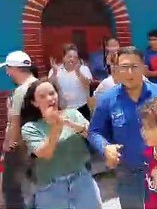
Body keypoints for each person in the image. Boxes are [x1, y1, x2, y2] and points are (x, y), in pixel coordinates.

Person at [88, 48, 157, 209]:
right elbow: (94, 131)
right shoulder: (107, 99)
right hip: (128, 172)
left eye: (135, 66)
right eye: (124, 67)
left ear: (143, 68)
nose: (129, 72)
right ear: (116, 70)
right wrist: (106, 148)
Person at [20, 79, 102, 209]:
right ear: (34, 103)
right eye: (42, 96)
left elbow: (93, 136)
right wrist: (56, 128)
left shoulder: (73, 114)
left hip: (82, 182)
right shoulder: (30, 128)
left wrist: (71, 124)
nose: (50, 98)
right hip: (51, 189)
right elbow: (45, 153)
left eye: (52, 93)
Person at [0, 50, 37, 209]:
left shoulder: (19, 92)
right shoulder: (43, 84)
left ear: (14, 68)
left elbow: (14, 123)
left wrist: (9, 146)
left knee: (12, 190)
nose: (7, 72)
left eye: (7, 68)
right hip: (39, 146)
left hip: (20, 149)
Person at [48, 43, 93, 120]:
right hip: (63, 110)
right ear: (63, 58)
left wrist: (78, 72)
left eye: (75, 57)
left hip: (81, 108)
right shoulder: (55, 70)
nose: (72, 59)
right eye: (70, 57)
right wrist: (54, 73)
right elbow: (50, 85)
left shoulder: (84, 69)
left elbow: (87, 84)